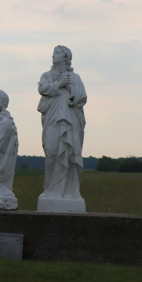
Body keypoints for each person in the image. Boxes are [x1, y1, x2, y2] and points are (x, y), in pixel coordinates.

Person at [37, 46, 87, 200]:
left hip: (70, 120)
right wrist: (59, 85)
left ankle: (68, 192)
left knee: (68, 153)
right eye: (54, 53)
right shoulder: (47, 75)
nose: (53, 55)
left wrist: (70, 88)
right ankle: (51, 190)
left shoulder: (75, 78)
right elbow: (42, 89)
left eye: (57, 53)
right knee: (51, 151)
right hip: (52, 118)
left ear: (66, 57)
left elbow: (82, 97)